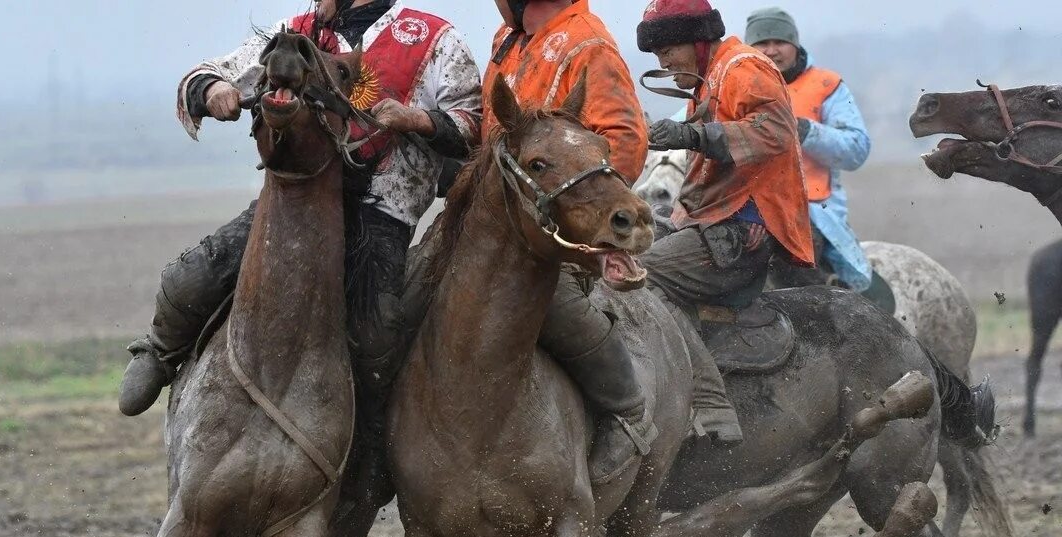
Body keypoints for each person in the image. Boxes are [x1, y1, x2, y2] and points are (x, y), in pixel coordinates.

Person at [117, 0, 483, 485]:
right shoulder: (296, 34)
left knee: (377, 333)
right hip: (291, 206)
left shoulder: (436, 40)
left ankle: (371, 449)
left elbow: (474, 125)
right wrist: (217, 89)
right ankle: (160, 351)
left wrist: (417, 120)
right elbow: (208, 73)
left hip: (381, 213)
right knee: (198, 273)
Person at [481, 0, 659, 480]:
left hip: (551, 230)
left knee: (554, 306)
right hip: (490, 225)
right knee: (415, 292)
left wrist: (576, 216)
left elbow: (623, 141)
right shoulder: (509, 40)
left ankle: (629, 413)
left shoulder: (587, 43)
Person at [635, 0, 815, 443]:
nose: (664, 63)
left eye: (668, 51)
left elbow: (776, 133)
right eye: (656, 56)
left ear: (698, 41)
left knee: (641, 277)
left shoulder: (742, 68)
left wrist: (693, 135)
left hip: (743, 228)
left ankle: (708, 401)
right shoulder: (711, 77)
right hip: (716, 219)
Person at [745, 7, 873, 292]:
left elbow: (857, 149)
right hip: (743, 205)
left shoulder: (827, 86)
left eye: (779, 42)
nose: (772, 50)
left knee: (794, 266)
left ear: (795, 44)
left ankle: (827, 319)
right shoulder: (733, 84)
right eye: (762, 43)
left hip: (809, 208)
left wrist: (806, 131)